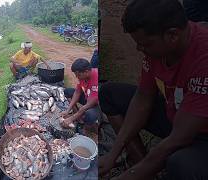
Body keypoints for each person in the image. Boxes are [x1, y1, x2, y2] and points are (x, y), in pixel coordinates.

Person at [99, 0, 208, 179]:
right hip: (176, 113)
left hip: (201, 133)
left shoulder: (203, 59)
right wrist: (113, 153)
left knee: (180, 164)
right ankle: (144, 168)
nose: (139, 49)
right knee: (109, 93)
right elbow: (143, 97)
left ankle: (144, 169)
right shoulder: (159, 50)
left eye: (145, 44)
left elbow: (179, 137)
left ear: (172, 35)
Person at [60, 58, 100, 141]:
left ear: (86, 71)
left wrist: (72, 118)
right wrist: (68, 110)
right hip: (88, 97)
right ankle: (79, 118)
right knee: (68, 92)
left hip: (98, 104)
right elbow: (77, 92)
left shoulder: (96, 77)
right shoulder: (83, 77)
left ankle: (86, 128)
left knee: (89, 114)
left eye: (78, 75)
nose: (76, 77)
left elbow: (89, 104)